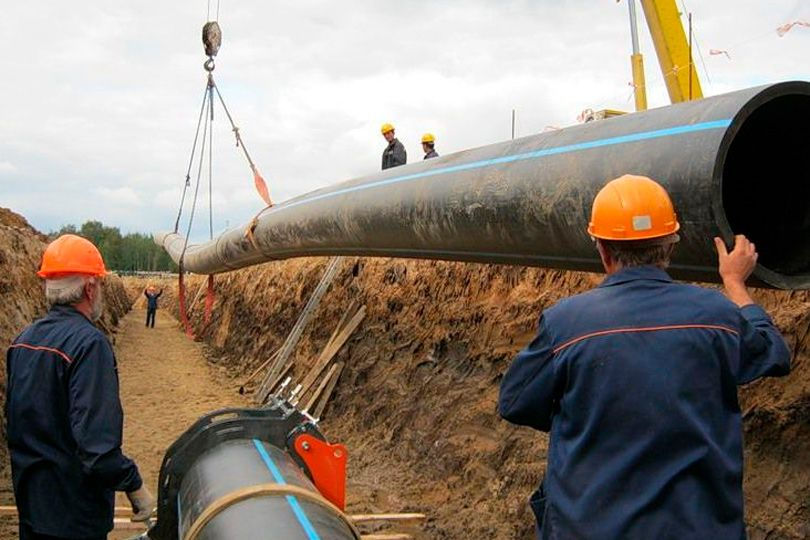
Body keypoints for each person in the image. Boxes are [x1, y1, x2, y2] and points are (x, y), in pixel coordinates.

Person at [498, 175, 791, 539]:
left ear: (602, 250)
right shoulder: (717, 315)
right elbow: (774, 354)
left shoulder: (566, 323)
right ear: (670, 245)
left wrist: (592, 414)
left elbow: (514, 402)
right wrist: (734, 283)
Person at [6, 234, 155, 540]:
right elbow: (97, 448)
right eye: (98, 284)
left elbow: (19, 425)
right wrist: (134, 484)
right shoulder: (89, 345)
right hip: (74, 516)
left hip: (32, 507)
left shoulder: (22, 340)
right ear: (89, 287)